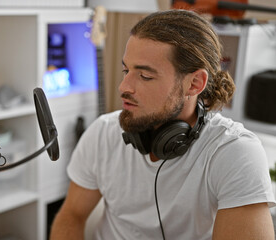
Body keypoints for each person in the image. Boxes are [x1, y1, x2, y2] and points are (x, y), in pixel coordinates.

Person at [50, 9, 276, 240]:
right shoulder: (103, 132)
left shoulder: (233, 152)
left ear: (194, 83)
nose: (123, 87)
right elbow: (72, 217)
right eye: (126, 70)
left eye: (145, 76)